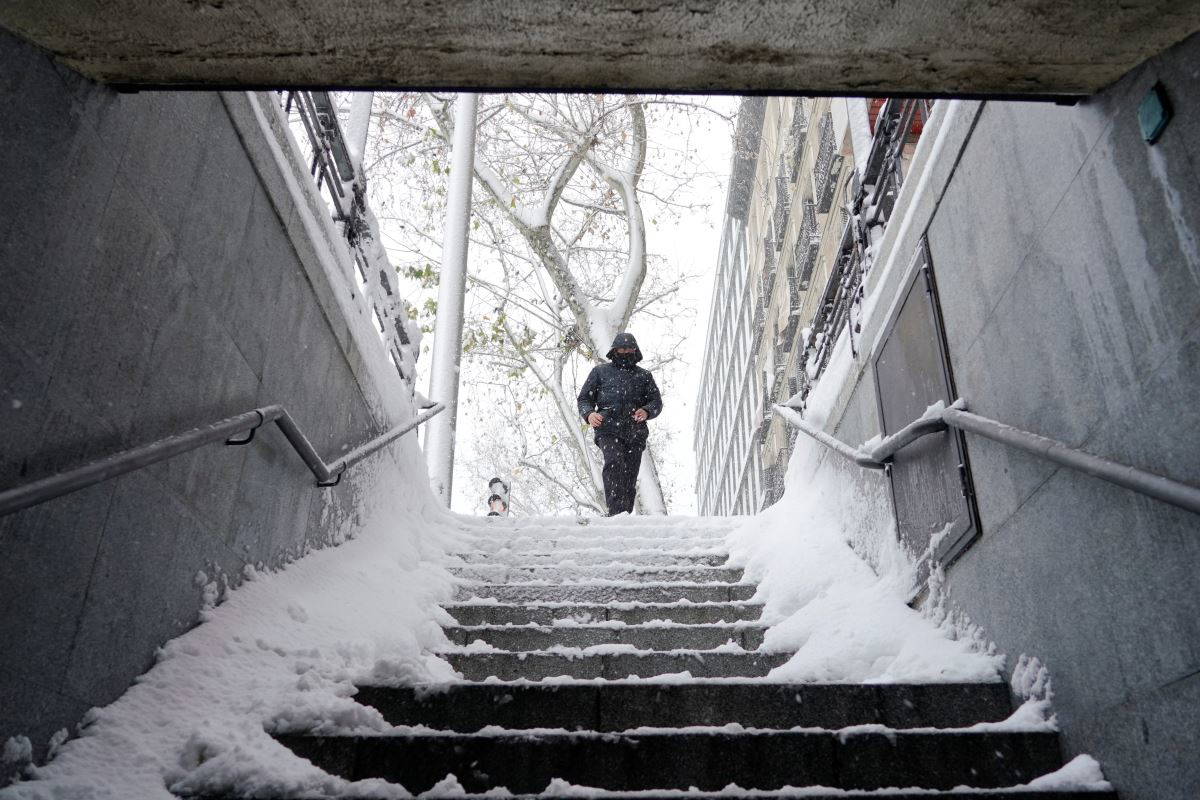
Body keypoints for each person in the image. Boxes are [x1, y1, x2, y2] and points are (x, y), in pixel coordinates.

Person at [576, 332, 663, 516]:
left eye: (629, 349)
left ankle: (624, 514)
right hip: (608, 429)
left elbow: (656, 402)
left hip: (635, 432)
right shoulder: (600, 372)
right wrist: (589, 414)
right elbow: (584, 399)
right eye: (622, 349)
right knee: (614, 463)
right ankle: (615, 512)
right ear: (614, 350)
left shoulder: (644, 376)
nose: (625, 352)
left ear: (635, 350)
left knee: (630, 473)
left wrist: (646, 411)